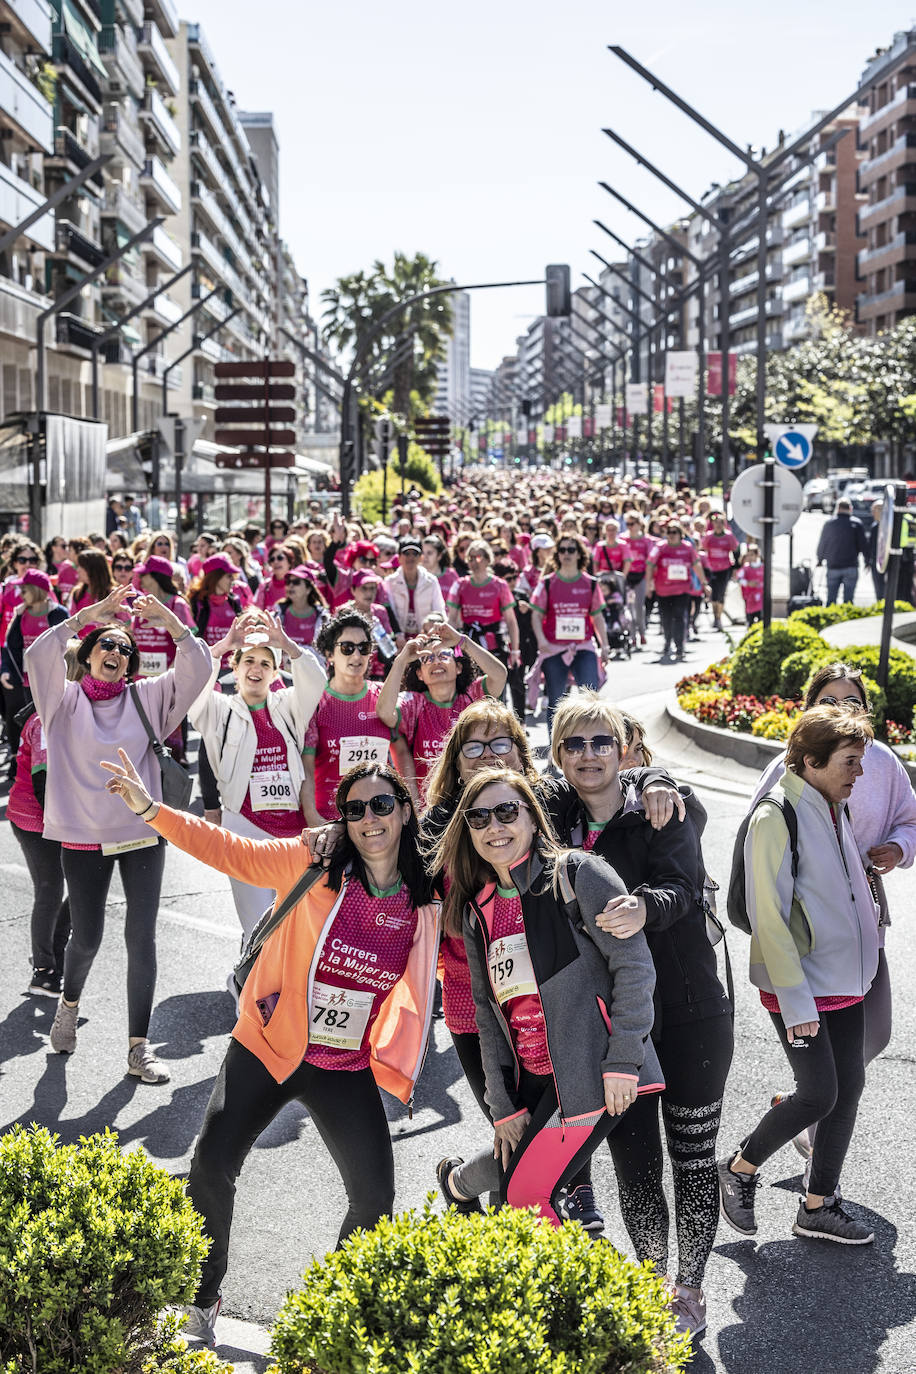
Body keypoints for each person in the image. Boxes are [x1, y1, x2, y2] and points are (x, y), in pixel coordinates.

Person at [101, 755, 440, 1350]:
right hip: (268, 1045)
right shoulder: (313, 861)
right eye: (355, 809)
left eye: (382, 805)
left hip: (345, 1063)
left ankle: (330, 1316)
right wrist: (153, 812)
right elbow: (231, 850)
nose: (369, 819)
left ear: (406, 810)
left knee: (375, 1197)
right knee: (212, 1161)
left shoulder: (425, 893)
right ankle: (201, 1300)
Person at [546, 692, 732, 1338]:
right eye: (575, 744)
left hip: (689, 1011)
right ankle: (652, 1283)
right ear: (558, 756)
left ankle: (690, 1289)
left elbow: (683, 885)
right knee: (633, 1162)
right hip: (614, 1023)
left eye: (601, 742)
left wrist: (643, 908)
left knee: (692, 1157)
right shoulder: (551, 818)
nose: (589, 755)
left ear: (623, 748)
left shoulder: (662, 806)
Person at [427, 768, 662, 1225]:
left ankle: (602, 1297)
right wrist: (503, 1105)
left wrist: (623, 1061)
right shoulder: (478, 911)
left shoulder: (576, 875)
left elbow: (634, 967)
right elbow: (488, 1016)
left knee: (525, 1198)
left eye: (507, 811)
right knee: (511, 1197)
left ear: (533, 819)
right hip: (529, 1080)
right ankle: (456, 1183)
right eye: (479, 818)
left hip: (591, 1071)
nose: (494, 826)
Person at [26, 583, 212, 1082]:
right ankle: (68, 1004)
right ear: (87, 656)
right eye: (106, 644)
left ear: (132, 665)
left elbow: (200, 668)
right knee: (86, 939)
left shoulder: (146, 697)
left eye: (126, 649)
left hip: (142, 830)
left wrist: (172, 623)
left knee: (141, 937)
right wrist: (86, 615)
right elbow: (37, 654)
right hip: (83, 835)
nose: (116, 652)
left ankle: (139, 1049)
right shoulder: (60, 702)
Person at [750, 662, 916, 1182]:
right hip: (808, 952)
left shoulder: (874, 768)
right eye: (831, 703)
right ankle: (786, 1138)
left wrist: (898, 847)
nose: (858, 774)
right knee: (829, 1088)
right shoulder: (785, 789)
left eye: (853, 703)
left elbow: (910, 821)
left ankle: (810, 1127)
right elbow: (766, 899)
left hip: (861, 938)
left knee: (867, 1050)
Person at [718, 706, 879, 1245]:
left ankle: (817, 1205)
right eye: (850, 762)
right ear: (812, 761)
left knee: (848, 1087)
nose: (859, 774)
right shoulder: (776, 815)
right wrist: (796, 1001)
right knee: (818, 1094)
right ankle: (740, 1167)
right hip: (800, 986)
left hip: (844, 978)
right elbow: (768, 916)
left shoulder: (833, 805)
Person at [189, 613, 325, 937]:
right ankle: (250, 986)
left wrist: (288, 646)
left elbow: (317, 682)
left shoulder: (290, 706)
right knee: (259, 927)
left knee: (293, 924)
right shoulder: (219, 710)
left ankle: (277, 986)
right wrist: (223, 646)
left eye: (265, 663)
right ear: (234, 669)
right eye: (248, 660)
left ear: (276, 672)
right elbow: (191, 691)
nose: (256, 669)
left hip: (293, 834)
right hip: (244, 827)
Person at [375, 622, 506, 800]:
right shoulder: (413, 703)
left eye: (444, 655)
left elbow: (500, 676)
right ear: (420, 674)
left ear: (458, 667)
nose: (436, 661)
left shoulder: (472, 695)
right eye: (427, 658)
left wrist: (463, 642)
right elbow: (384, 712)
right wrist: (401, 660)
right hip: (430, 805)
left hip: (474, 798)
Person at [301, 611, 402, 823]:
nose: (356, 656)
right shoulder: (315, 702)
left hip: (380, 817)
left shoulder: (383, 696)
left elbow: (401, 754)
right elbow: (306, 769)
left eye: (363, 648)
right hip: (332, 820)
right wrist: (312, 817)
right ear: (329, 654)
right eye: (347, 648)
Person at [8, 698, 70, 997]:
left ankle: (51, 954)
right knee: (50, 889)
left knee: (81, 886)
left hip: (62, 818)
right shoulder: (45, 720)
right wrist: (62, 824)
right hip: (35, 819)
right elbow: (42, 779)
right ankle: (44, 971)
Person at [530, 534, 610, 727]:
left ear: (579, 554)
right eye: (562, 550)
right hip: (555, 649)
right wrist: (541, 641)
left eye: (571, 550)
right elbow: (536, 615)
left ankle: (590, 744)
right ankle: (555, 750)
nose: (566, 554)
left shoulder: (590, 583)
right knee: (556, 702)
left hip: (583, 648)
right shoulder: (547, 582)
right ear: (557, 554)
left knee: (590, 700)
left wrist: (605, 645)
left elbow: (597, 617)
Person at [0, 569, 68, 771]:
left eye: (25, 589)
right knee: (31, 725)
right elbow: (10, 646)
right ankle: (30, 766)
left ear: (37, 590)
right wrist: (6, 670)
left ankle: (54, 765)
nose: (21, 594)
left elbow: (70, 646)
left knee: (53, 726)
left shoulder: (58, 613)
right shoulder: (21, 615)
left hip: (53, 682)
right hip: (29, 682)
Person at [446, 540, 519, 681]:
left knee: (495, 691)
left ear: (487, 559)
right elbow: (452, 619)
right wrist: (448, 645)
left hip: (493, 645)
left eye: (478, 557)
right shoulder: (460, 584)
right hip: (468, 644)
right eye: (470, 558)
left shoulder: (500, 585)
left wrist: (515, 651)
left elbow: (511, 621)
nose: (474, 562)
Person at [646, 522, 709, 663]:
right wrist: (649, 585)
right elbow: (650, 564)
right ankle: (668, 642)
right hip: (663, 590)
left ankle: (680, 647)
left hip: (682, 590)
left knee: (680, 616)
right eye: (669, 532)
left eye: (675, 532)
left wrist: (704, 583)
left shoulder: (687, 548)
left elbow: (696, 565)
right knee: (666, 618)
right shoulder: (660, 547)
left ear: (681, 534)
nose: (672, 535)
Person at [384, 536, 445, 641]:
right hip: (399, 640)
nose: (410, 557)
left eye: (415, 554)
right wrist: (397, 636)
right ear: (399, 557)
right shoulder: (389, 582)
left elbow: (439, 611)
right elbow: (390, 613)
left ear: (421, 557)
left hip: (426, 639)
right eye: (406, 554)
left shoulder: (431, 581)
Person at [816, 496, 867, 605]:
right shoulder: (857, 524)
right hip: (851, 566)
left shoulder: (829, 524)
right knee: (848, 601)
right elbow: (863, 545)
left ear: (837, 508)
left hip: (833, 566)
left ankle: (832, 620)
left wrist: (820, 559)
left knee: (831, 599)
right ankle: (846, 620)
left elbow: (823, 544)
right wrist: (867, 561)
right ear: (850, 509)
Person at [700, 511, 739, 632]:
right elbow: (703, 549)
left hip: (725, 569)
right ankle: (715, 616)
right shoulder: (709, 537)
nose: (718, 525)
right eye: (716, 523)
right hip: (712, 569)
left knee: (721, 593)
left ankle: (718, 618)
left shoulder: (729, 537)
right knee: (714, 594)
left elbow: (735, 551)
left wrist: (735, 569)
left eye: (721, 523)